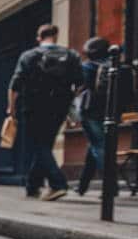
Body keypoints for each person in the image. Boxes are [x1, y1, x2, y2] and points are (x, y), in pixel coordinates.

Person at [7, 24, 82, 201]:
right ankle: (33, 186)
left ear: (39, 38)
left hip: (33, 106)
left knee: (38, 145)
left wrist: (11, 108)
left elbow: (15, 84)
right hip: (59, 107)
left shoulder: (29, 56)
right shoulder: (71, 55)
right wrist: (69, 101)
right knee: (44, 146)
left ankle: (58, 184)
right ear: (56, 36)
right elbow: (80, 84)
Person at [76, 37, 110, 196]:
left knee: (99, 147)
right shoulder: (115, 64)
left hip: (91, 111)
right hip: (110, 112)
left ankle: (111, 186)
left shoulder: (88, 67)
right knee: (95, 146)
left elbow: (77, 87)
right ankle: (82, 185)